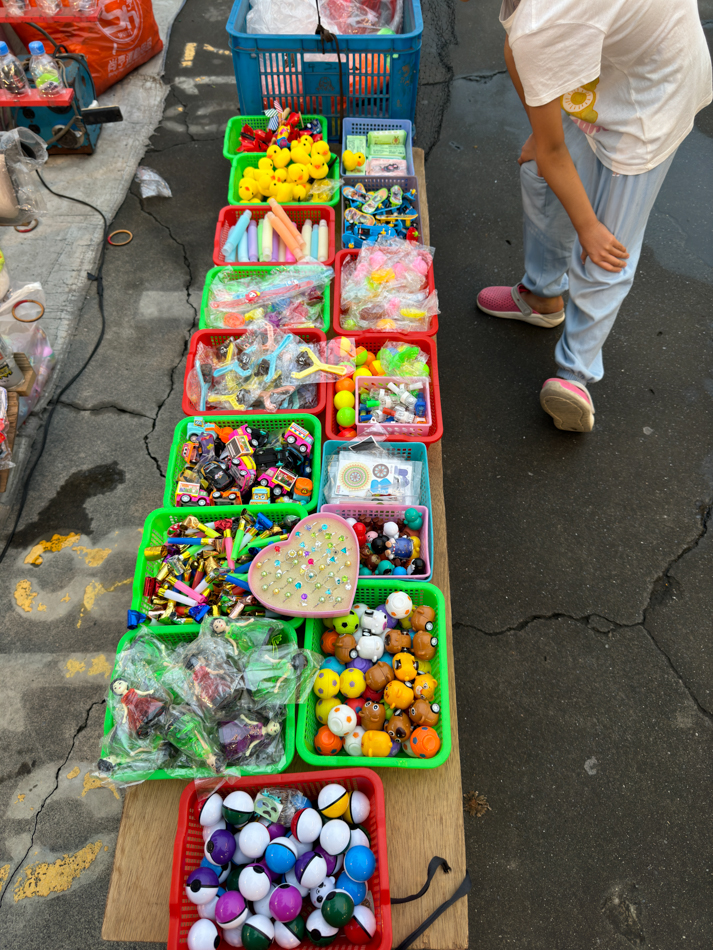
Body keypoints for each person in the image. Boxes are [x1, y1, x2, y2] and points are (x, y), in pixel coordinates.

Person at [477, 0, 712, 431]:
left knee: (606, 243)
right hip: (604, 70)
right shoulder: (533, 24)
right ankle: (543, 295)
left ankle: (575, 375)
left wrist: (586, 226)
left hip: (654, 93)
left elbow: (528, 46)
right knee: (540, 175)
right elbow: (518, 51)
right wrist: (542, 130)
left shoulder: (544, 23)